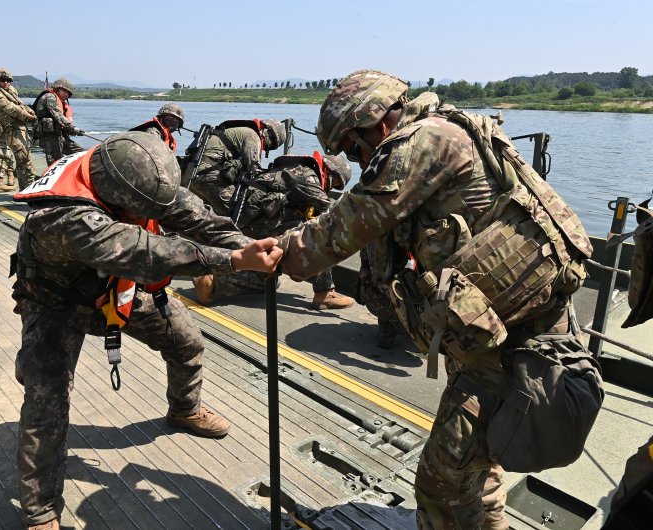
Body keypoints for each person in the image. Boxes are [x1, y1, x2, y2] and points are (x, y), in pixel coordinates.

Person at [277, 70, 604, 529]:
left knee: (441, 483)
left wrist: (279, 254)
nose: (356, 159)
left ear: (376, 123)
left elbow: (342, 229)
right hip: (490, 330)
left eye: (353, 146)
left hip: (511, 347)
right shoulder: (447, 130)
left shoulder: (425, 142)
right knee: (475, 467)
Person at [10, 131, 282, 530]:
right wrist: (236, 260)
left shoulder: (134, 174)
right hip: (56, 302)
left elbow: (197, 218)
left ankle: (184, 409)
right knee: (46, 395)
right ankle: (40, 511)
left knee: (186, 342)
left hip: (113, 286)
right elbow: (149, 251)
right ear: (117, 193)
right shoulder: (64, 216)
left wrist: (251, 247)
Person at [194, 151, 355, 310]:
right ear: (329, 171)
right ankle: (325, 292)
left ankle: (212, 281)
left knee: (267, 280)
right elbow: (332, 211)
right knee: (319, 230)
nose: (331, 187)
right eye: (334, 183)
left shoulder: (292, 167)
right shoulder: (306, 175)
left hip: (251, 221)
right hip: (261, 222)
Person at [188, 118, 286, 217]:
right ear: (266, 130)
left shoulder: (239, 131)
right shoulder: (253, 136)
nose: (266, 146)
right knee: (240, 209)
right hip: (209, 177)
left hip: (193, 176)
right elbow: (253, 169)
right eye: (272, 141)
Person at [0, 67, 37, 191]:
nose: (6, 83)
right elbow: (11, 108)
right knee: (23, 161)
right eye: (3, 80)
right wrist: (28, 117)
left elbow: (20, 104)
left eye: (8, 80)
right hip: (11, 130)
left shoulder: (10, 91)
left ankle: (27, 189)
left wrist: (31, 112)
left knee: (25, 160)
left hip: (18, 130)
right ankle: (26, 190)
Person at [33, 77, 84, 166]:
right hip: (50, 137)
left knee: (81, 153)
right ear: (57, 89)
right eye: (63, 91)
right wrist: (72, 128)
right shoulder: (50, 97)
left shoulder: (62, 103)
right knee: (55, 164)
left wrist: (72, 130)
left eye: (68, 93)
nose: (65, 94)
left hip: (61, 136)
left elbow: (63, 119)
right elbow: (57, 115)